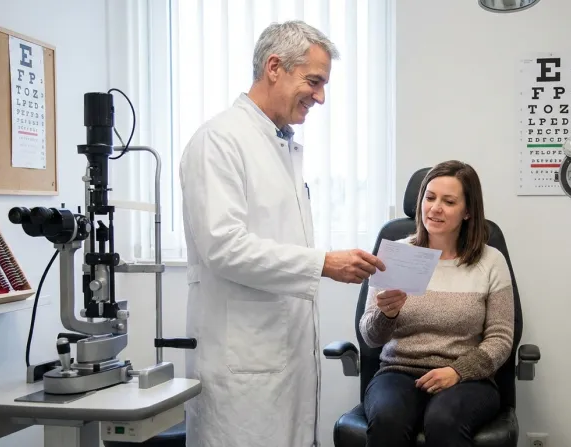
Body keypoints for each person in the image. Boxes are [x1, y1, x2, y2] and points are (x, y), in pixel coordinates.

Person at [179, 20, 386, 447]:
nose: (321, 96)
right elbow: (223, 246)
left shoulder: (281, 145)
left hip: (283, 360)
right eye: (314, 81)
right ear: (275, 66)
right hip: (243, 368)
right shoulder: (219, 140)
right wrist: (324, 263)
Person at [359, 160, 516, 447]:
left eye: (449, 201)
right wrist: (387, 314)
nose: (435, 208)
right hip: (398, 372)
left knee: (443, 420)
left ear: (468, 211)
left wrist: (458, 372)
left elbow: (501, 338)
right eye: (430, 198)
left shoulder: (490, 261)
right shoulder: (397, 255)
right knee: (388, 420)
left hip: (468, 378)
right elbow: (370, 336)